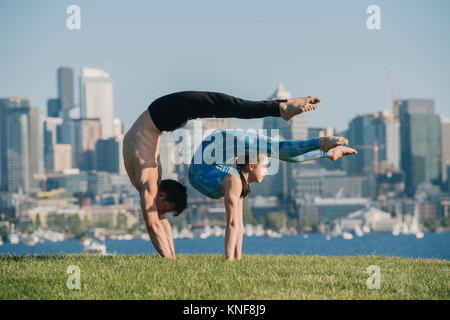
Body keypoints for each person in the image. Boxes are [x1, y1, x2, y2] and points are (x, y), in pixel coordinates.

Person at [123, 90, 322, 259]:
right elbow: (158, 220)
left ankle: (280, 108)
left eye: (164, 208)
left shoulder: (149, 178)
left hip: (161, 113)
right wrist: (171, 259)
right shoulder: (151, 180)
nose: (162, 213)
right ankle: (280, 109)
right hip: (161, 119)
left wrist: (168, 261)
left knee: (223, 105)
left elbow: (153, 225)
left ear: (162, 195)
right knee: (222, 105)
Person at [188, 129, 357, 261]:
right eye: (265, 166)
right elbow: (231, 224)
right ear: (252, 166)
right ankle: (321, 142)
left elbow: (239, 224)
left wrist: (237, 260)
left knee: (284, 154)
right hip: (213, 152)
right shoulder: (233, 179)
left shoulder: (237, 179)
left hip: (208, 161)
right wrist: (229, 261)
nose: (267, 171)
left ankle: (327, 152)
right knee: (278, 148)